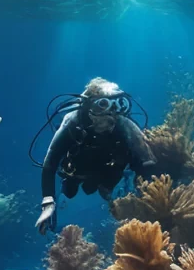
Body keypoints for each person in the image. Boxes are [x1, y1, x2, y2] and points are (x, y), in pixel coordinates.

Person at [35, 78, 157, 234]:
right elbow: (50, 162)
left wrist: (149, 196)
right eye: (102, 105)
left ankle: (105, 189)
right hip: (76, 171)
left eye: (115, 107)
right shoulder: (72, 122)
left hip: (108, 171)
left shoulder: (124, 124)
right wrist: (48, 202)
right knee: (70, 191)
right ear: (88, 106)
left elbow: (146, 161)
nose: (110, 116)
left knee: (101, 188)